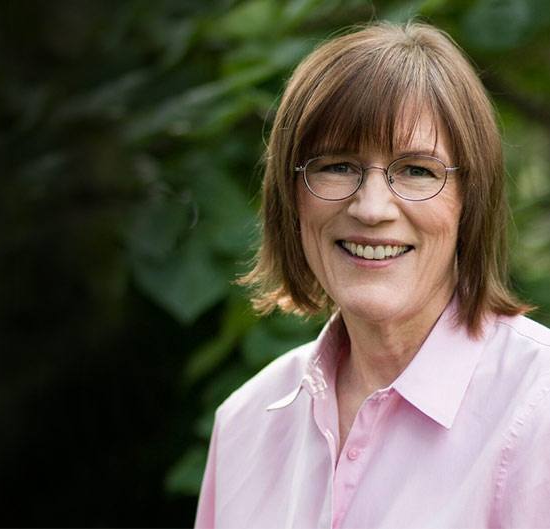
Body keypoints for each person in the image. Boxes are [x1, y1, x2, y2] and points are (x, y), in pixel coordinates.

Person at [195, 21, 550, 529]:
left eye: (417, 170)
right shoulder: (245, 424)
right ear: (290, 196)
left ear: (470, 200)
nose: (372, 208)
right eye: (338, 166)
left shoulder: (539, 409)